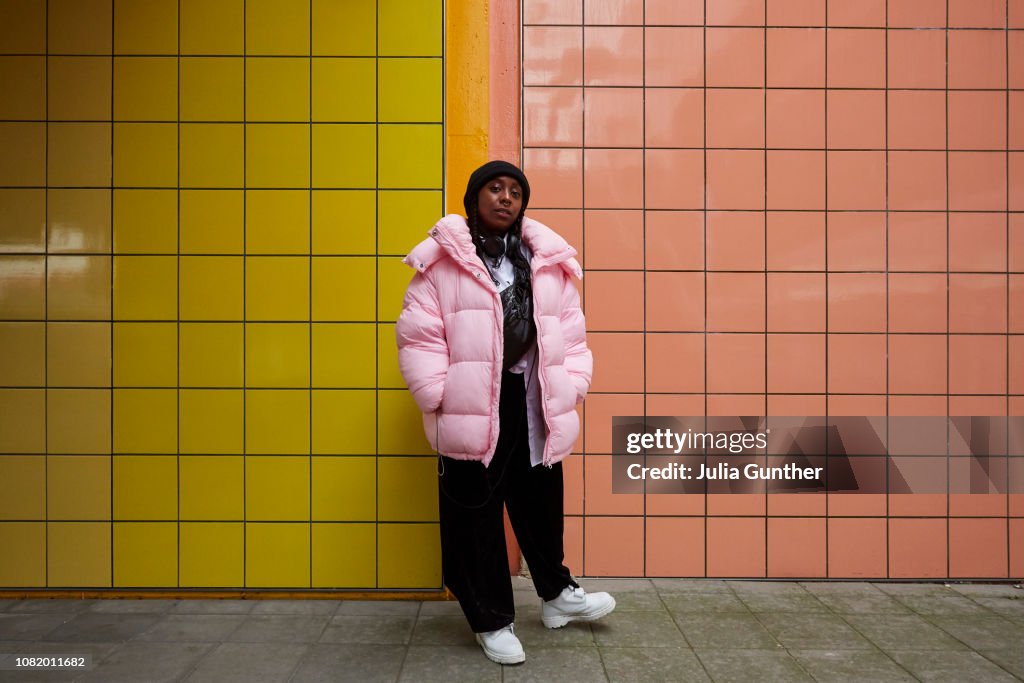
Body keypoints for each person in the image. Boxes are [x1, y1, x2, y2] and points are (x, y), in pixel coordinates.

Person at [395, 160, 615, 665]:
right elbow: (419, 336)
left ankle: (557, 596)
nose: (505, 198)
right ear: (475, 198)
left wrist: (573, 384)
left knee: (541, 501)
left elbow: (572, 335)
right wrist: (440, 395)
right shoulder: (445, 262)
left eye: (515, 191)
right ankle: (491, 619)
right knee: (474, 512)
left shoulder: (544, 262)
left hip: (532, 397)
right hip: (473, 401)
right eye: (495, 188)